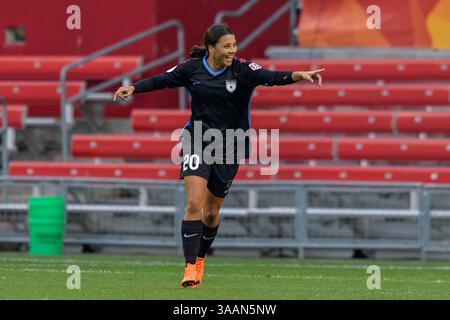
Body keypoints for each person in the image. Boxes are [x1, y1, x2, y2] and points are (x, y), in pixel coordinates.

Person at [113, 23, 324, 288]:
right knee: (193, 204)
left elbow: (271, 76)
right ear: (211, 47)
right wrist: (133, 88)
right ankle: (190, 267)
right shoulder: (192, 69)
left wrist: (300, 74)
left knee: (210, 213)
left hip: (231, 145)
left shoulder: (243, 70)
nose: (232, 51)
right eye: (226, 46)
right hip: (197, 140)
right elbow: (161, 80)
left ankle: (200, 258)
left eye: (234, 45)